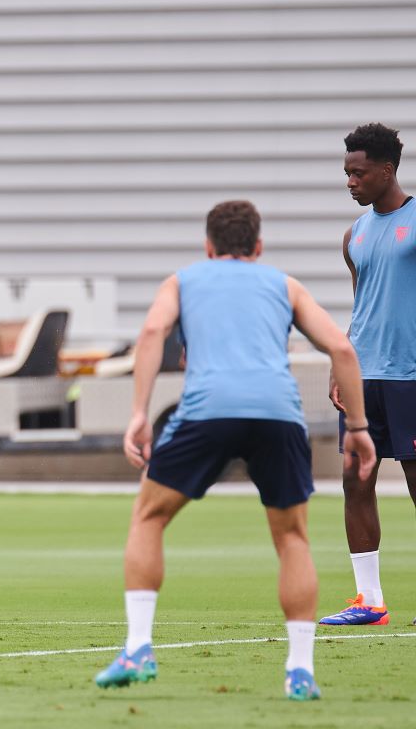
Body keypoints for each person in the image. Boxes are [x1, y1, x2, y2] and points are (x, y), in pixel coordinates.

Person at [94, 200, 376, 700]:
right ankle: (300, 670)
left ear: (208, 246)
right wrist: (357, 426)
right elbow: (342, 349)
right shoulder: (283, 285)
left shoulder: (182, 281)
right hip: (278, 414)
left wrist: (138, 413)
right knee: (292, 539)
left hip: (207, 412)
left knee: (149, 517)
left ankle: (138, 647)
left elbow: (154, 331)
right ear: (259, 246)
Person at [321, 123, 416, 626]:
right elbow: (363, 306)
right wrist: (343, 365)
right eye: (346, 174)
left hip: (411, 378)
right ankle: (369, 601)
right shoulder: (353, 235)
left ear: (386, 170)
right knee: (356, 481)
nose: (350, 182)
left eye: (358, 173)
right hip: (365, 381)